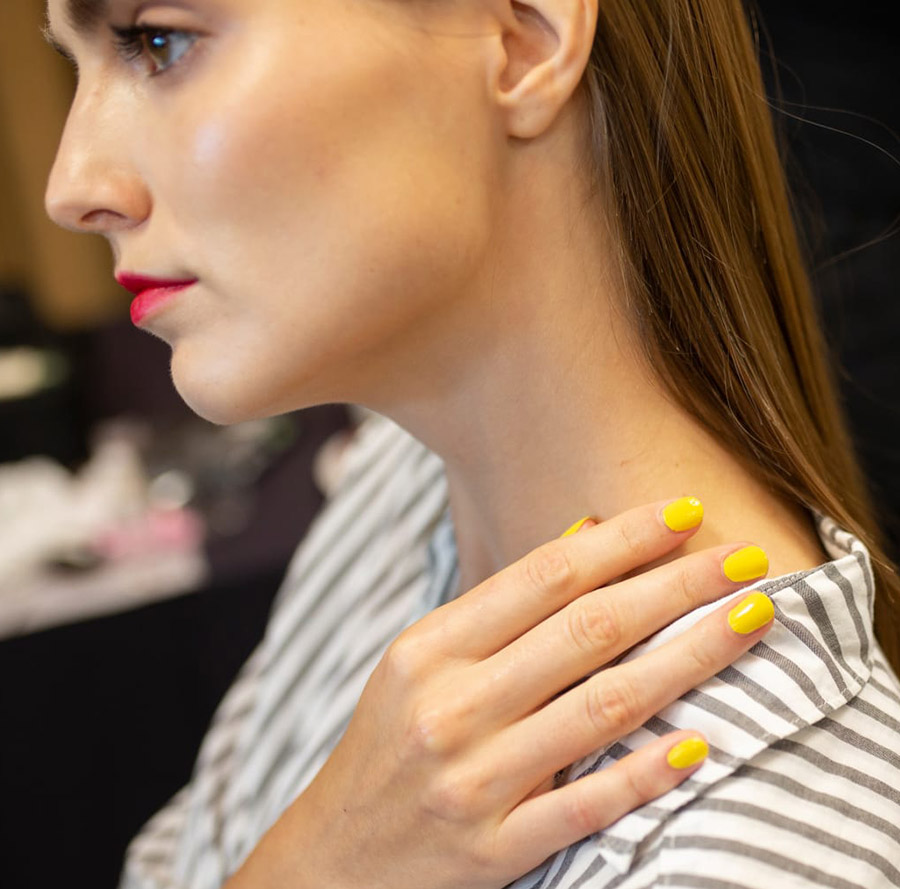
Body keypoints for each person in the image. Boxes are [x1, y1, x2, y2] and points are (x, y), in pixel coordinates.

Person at [40, 0, 900, 887]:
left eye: (160, 42)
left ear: (524, 40)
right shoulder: (400, 483)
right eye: (76, 62)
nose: (71, 189)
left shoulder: (742, 852)